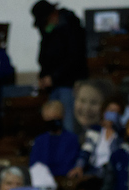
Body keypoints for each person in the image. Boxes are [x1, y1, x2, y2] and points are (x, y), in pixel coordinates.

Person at [32, 1, 88, 133]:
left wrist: (54, 77)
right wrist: (44, 76)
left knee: (68, 124)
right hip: (54, 85)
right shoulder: (48, 31)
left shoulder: (71, 27)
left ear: (53, 14)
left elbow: (74, 58)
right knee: (53, 124)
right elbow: (44, 58)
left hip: (69, 83)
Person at [29, 101, 81, 179]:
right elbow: (34, 165)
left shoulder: (72, 139)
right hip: (42, 180)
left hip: (65, 179)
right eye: (48, 119)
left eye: (54, 118)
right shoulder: (40, 140)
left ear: (62, 117)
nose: (52, 122)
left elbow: (69, 165)